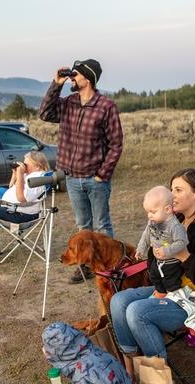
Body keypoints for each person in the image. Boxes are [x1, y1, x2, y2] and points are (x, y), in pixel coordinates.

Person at [109, 168, 195, 383]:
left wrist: (185, 256)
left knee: (137, 312)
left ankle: (160, 383)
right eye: (171, 189)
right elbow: (154, 255)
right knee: (119, 300)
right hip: (170, 287)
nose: (172, 195)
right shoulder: (171, 220)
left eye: (178, 190)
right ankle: (131, 368)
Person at [39, 59, 123, 284]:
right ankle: (86, 266)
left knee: (102, 225)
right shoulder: (68, 103)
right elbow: (45, 113)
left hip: (95, 179)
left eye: (75, 75)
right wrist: (56, 84)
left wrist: (102, 173)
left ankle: (110, 269)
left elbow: (116, 144)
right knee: (83, 226)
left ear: (88, 78)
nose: (72, 78)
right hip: (72, 178)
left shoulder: (106, 107)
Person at [0, 151, 50, 264]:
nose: (24, 166)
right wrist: (16, 173)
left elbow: (21, 197)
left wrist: (21, 174)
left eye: (26, 164)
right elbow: (12, 187)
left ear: (37, 166)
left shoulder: (37, 179)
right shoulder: (31, 175)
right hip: (15, 209)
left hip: (22, 215)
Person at [135, 186, 188, 297]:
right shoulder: (153, 221)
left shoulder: (174, 226)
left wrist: (166, 250)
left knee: (171, 281)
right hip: (158, 260)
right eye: (148, 212)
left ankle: (173, 296)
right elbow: (146, 235)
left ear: (168, 209)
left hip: (171, 262)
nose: (149, 215)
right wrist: (141, 248)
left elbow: (182, 242)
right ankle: (161, 292)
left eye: (153, 212)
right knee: (154, 276)